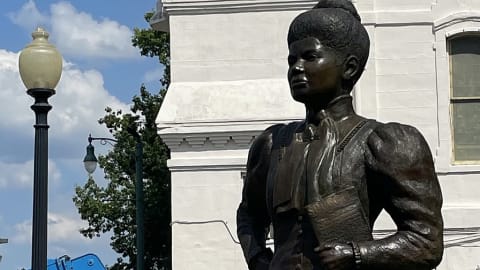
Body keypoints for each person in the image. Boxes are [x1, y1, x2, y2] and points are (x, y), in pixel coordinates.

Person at [236, 1, 444, 269]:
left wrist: (357, 255)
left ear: (349, 68)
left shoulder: (385, 143)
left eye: (310, 57)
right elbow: (249, 215)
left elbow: (425, 241)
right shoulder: (272, 144)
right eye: (291, 60)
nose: (296, 68)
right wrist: (257, 258)